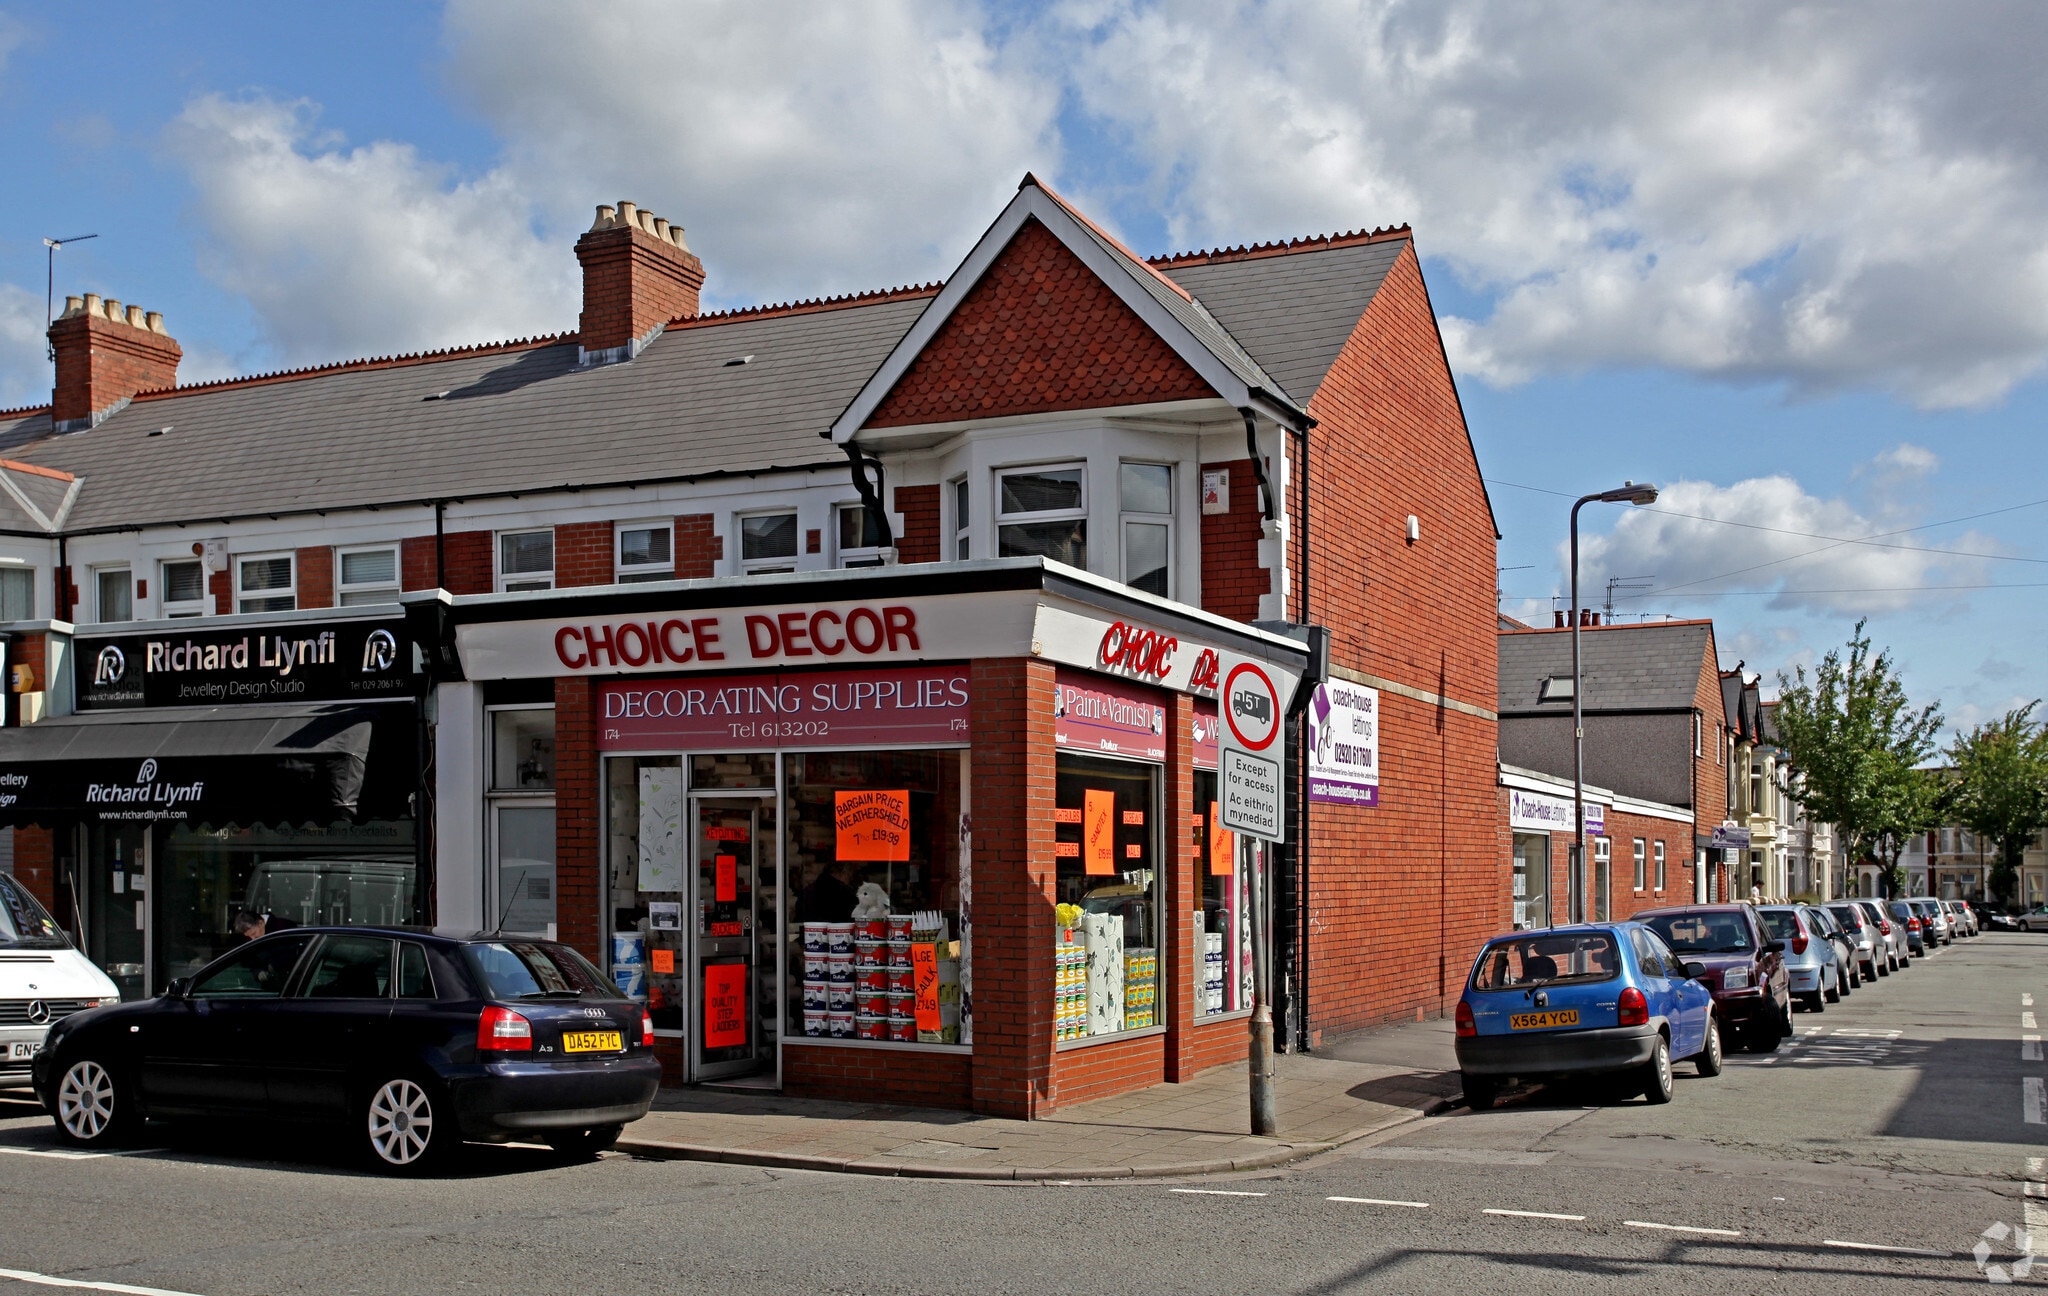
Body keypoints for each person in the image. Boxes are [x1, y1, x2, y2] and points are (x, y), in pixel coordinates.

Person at [793, 858, 858, 926]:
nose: (849, 881)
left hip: (808, 934)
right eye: (849, 876)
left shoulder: (807, 892)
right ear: (841, 873)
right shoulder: (845, 895)